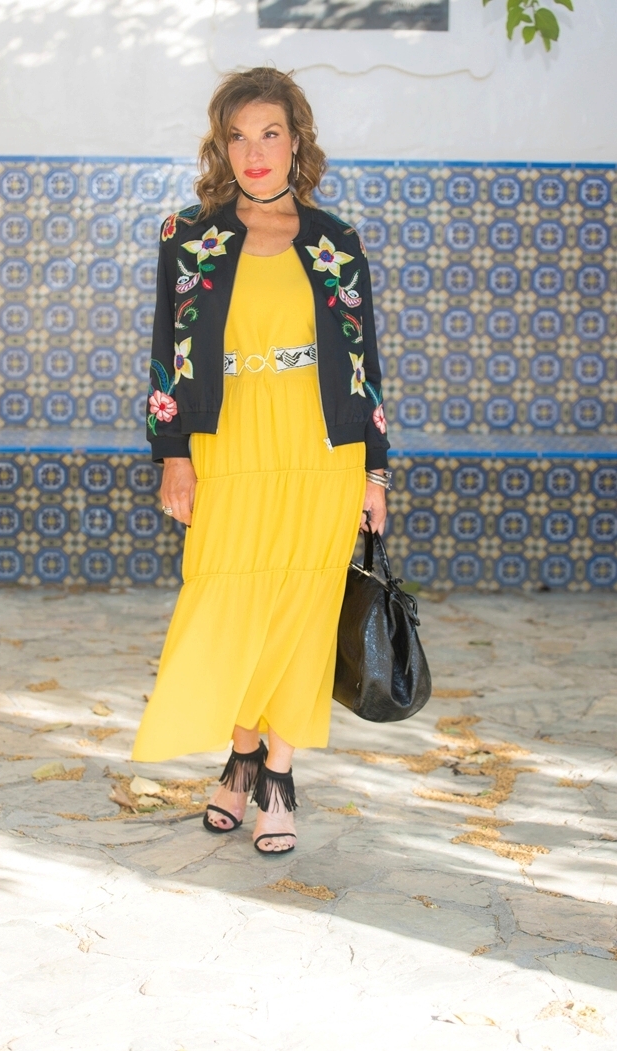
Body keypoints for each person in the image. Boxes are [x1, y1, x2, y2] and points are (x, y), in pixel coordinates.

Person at [132, 67, 390, 854]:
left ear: (296, 141)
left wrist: (375, 471)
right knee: (231, 601)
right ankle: (240, 749)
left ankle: (273, 771)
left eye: (270, 133)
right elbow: (166, 353)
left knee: (303, 610)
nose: (254, 150)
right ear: (222, 144)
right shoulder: (190, 237)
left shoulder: (334, 240)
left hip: (320, 449)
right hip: (229, 441)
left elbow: (362, 358)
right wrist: (173, 452)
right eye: (239, 135)